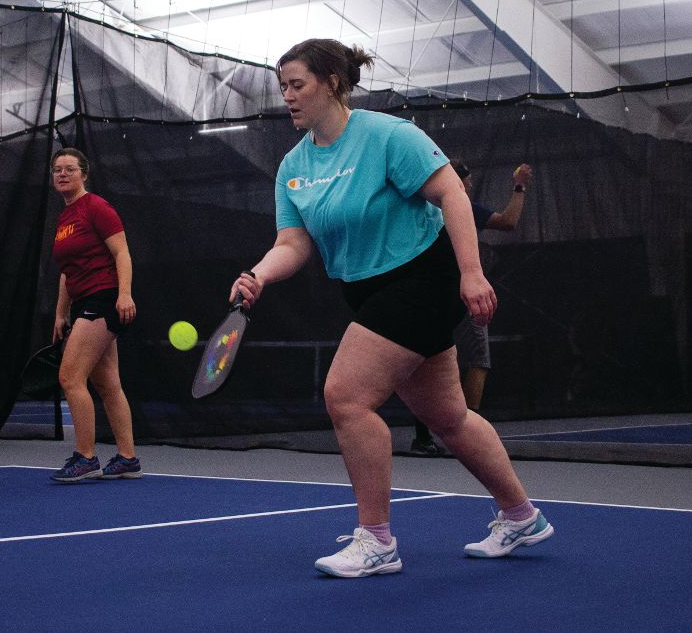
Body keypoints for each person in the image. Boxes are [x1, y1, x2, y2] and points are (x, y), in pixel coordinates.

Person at [229, 39, 552, 577]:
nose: (286, 96)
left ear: (332, 81)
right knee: (448, 416)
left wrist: (472, 272)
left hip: (423, 277)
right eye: (282, 86)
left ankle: (377, 540)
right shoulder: (293, 166)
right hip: (366, 289)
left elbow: (451, 192)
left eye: (297, 84)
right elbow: (293, 243)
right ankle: (522, 515)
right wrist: (259, 274)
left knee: (347, 396)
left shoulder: (387, 136)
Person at [411, 160, 534, 455]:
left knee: (447, 362)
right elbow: (508, 222)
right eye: (465, 180)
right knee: (465, 360)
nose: (468, 185)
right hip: (445, 295)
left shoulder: (450, 206)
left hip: (445, 294)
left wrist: (519, 186)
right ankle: (452, 435)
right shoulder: (442, 208)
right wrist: (519, 185)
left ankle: (435, 435)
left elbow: (507, 222)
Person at [47, 147, 142, 483]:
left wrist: (124, 294)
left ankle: (86, 457)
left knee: (70, 377)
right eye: (57, 170)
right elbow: (66, 272)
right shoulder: (64, 220)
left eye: (69, 169)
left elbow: (122, 252)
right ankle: (128, 458)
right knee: (107, 384)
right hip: (83, 300)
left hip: (103, 299)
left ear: (83, 174)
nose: (62, 174)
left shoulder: (96, 207)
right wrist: (60, 314)